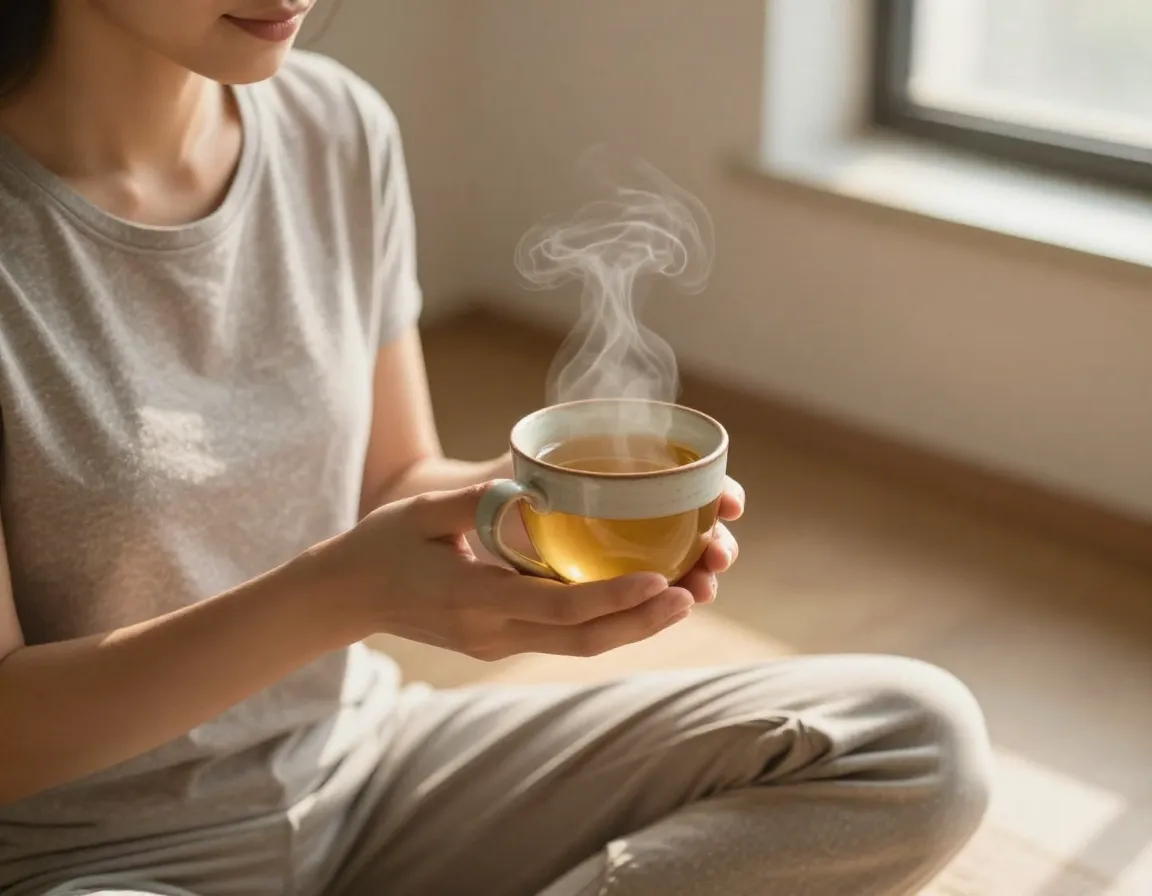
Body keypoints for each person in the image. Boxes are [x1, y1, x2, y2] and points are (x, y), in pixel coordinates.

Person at [0, 2, 992, 894]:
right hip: (96, 857)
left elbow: (394, 480)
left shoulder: (335, 127)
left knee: (912, 742)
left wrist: (541, 508)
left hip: (366, 774)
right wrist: (340, 593)